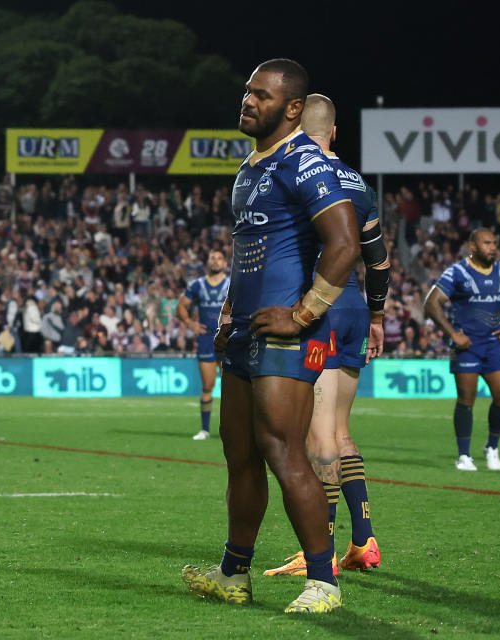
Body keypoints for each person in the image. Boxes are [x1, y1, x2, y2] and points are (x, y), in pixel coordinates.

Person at [180, 59, 360, 614]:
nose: (247, 101)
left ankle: (324, 583)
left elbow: (346, 242)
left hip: (288, 333)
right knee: (240, 455)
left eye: (261, 94)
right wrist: (229, 311)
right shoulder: (251, 167)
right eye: (246, 92)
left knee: (285, 453)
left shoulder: (305, 160)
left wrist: (304, 314)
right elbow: (247, 256)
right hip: (246, 331)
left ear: (292, 108)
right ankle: (235, 573)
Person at [262, 94, 389, 578]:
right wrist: (377, 318)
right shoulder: (358, 184)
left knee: (317, 440)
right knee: (341, 432)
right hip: (356, 306)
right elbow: (378, 261)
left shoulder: (293, 170)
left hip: (317, 308)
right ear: (334, 132)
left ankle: (322, 552)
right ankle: (365, 540)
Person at [424, 228, 500, 471]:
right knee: (466, 399)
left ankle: (492, 447)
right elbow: (431, 303)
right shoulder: (457, 272)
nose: (492, 247)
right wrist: (453, 335)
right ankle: (464, 456)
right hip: (467, 346)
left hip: (494, 344)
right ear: (472, 246)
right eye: (486, 243)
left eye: (494, 243)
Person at [177, 250, 229, 440]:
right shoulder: (197, 285)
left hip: (229, 339)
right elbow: (180, 307)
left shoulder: (233, 283)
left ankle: (232, 429)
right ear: (207, 262)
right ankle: (205, 429)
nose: (215, 261)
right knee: (208, 385)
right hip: (206, 339)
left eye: (219, 258)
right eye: (212, 258)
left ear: (225, 263)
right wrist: (190, 323)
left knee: (231, 387)